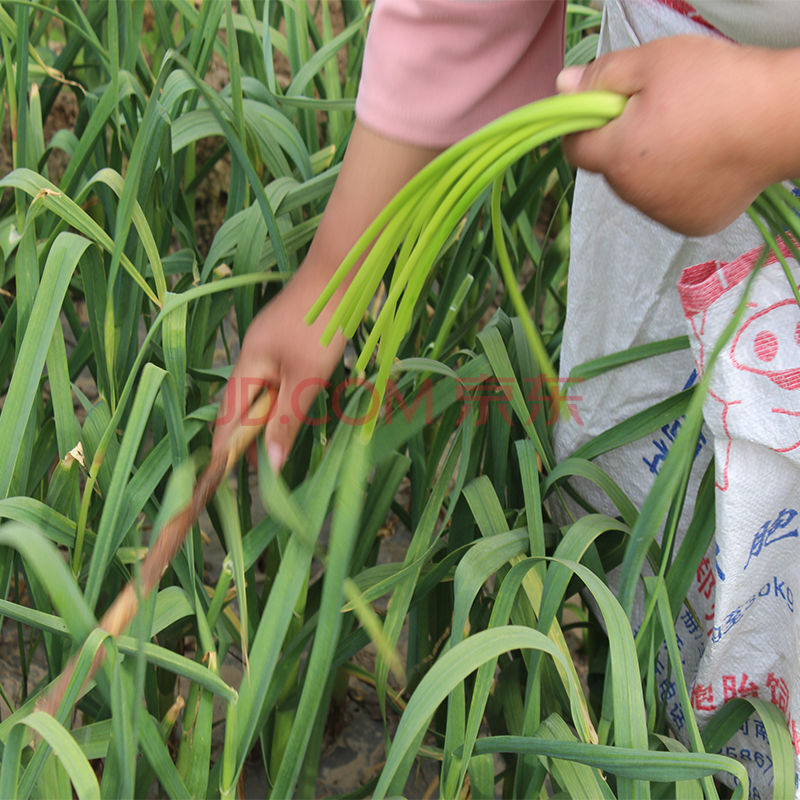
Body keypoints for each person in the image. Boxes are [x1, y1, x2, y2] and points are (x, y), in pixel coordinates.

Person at [213, 1, 800, 795]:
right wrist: (333, 276)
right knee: (669, 572)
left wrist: (769, 113)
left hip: (741, 144)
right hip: (661, 160)